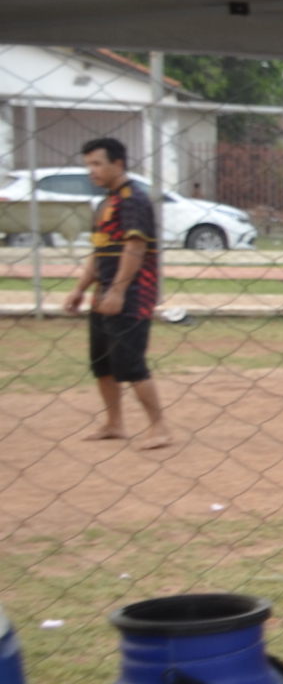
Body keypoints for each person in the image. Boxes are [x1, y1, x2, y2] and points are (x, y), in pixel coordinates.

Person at [62, 137, 171, 450]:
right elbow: (98, 253)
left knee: (130, 363)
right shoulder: (104, 203)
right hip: (103, 293)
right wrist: (81, 289)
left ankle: (159, 427)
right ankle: (114, 423)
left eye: (97, 163)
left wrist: (119, 292)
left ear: (118, 164)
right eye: (88, 165)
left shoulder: (134, 200)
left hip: (132, 294)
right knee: (102, 364)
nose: (90, 171)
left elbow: (135, 247)